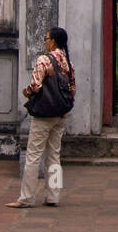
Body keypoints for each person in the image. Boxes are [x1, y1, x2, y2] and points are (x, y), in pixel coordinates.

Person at [7, 27, 75, 207]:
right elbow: (72, 88)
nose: (45, 41)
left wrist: (26, 92)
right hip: (60, 113)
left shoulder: (44, 60)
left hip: (44, 113)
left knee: (33, 156)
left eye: (46, 38)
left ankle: (26, 197)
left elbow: (35, 86)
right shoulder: (67, 62)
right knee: (54, 155)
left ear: (53, 41)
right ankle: (53, 196)